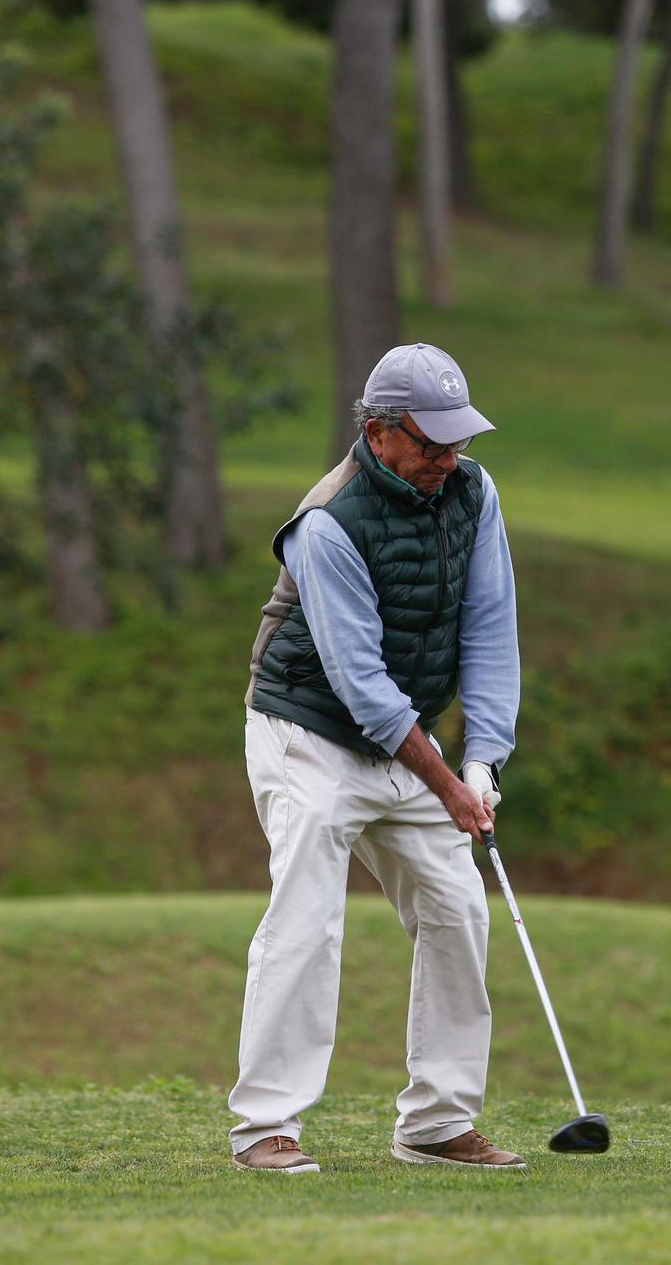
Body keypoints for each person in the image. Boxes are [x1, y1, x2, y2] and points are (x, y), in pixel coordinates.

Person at [229, 342, 522, 1173]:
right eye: (430, 443)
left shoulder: (474, 490)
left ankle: (436, 1122)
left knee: (458, 909)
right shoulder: (328, 521)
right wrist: (446, 783)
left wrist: (483, 764)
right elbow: (362, 688)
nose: (446, 459)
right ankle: (264, 1126)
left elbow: (490, 630)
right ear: (379, 432)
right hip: (308, 733)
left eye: (456, 440)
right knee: (306, 918)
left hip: (407, 740)